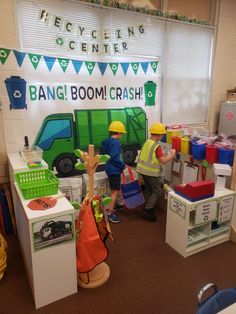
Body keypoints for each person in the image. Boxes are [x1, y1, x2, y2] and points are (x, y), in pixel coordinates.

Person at [136, 122, 176, 222]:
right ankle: (147, 210)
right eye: (162, 134)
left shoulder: (147, 142)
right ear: (158, 135)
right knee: (157, 191)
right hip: (151, 173)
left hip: (143, 171)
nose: (162, 136)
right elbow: (164, 160)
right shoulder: (156, 147)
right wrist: (172, 154)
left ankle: (147, 205)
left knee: (149, 189)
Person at [101, 121, 126, 223]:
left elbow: (105, 154)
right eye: (122, 133)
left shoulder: (107, 142)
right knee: (115, 191)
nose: (122, 135)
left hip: (109, 168)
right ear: (119, 133)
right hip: (114, 170)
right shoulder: (116, 143)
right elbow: (115, 157)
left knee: (114, 190)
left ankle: (112, 206)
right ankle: (110, 212)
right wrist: (122, 165)